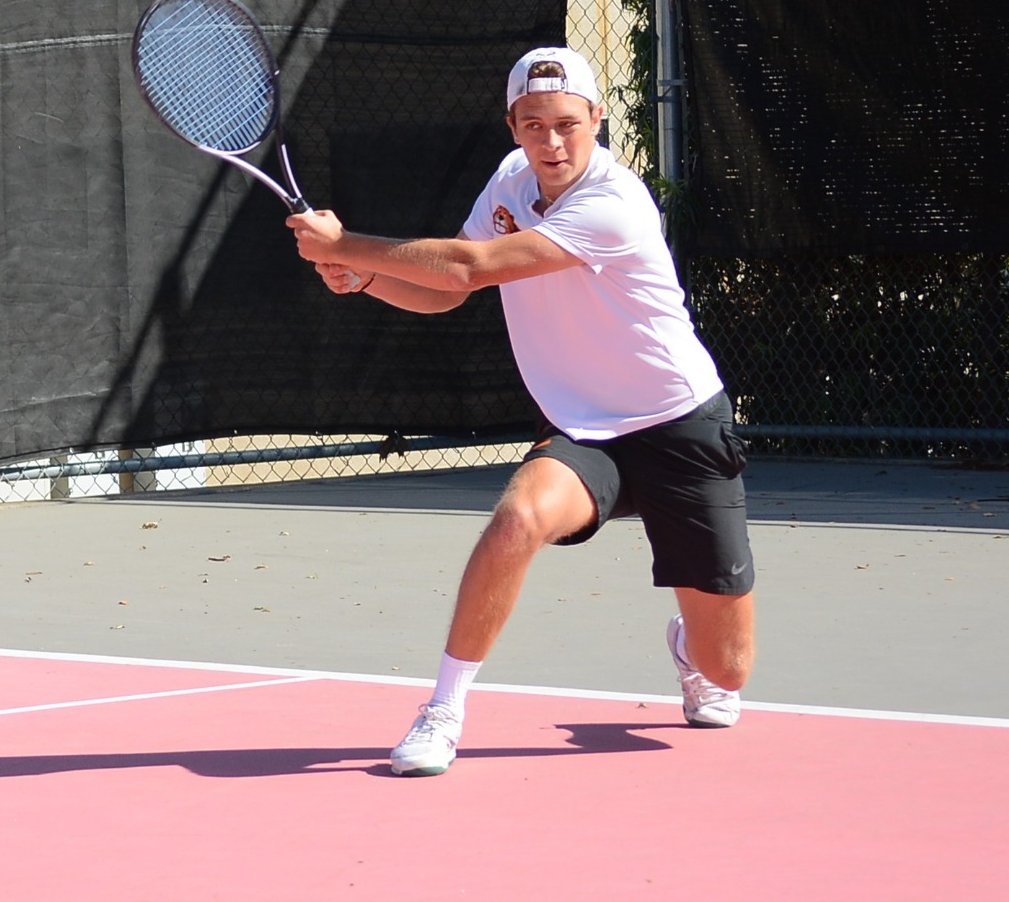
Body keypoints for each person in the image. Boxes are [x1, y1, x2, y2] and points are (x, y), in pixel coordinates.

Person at [287, 46, 754, 777]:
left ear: (598, 119)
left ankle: (692, 649)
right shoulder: (510, 181)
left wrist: (348, 242)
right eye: (533, 124)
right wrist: (366, 278)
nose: (552, 141)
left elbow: (472, 266)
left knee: (729, 670)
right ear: (512, 125)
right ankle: (443, 708)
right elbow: (448, 290)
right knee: (517, 517)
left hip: (678, 422)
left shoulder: (615, 202)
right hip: (583, 429)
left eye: (567, 122)